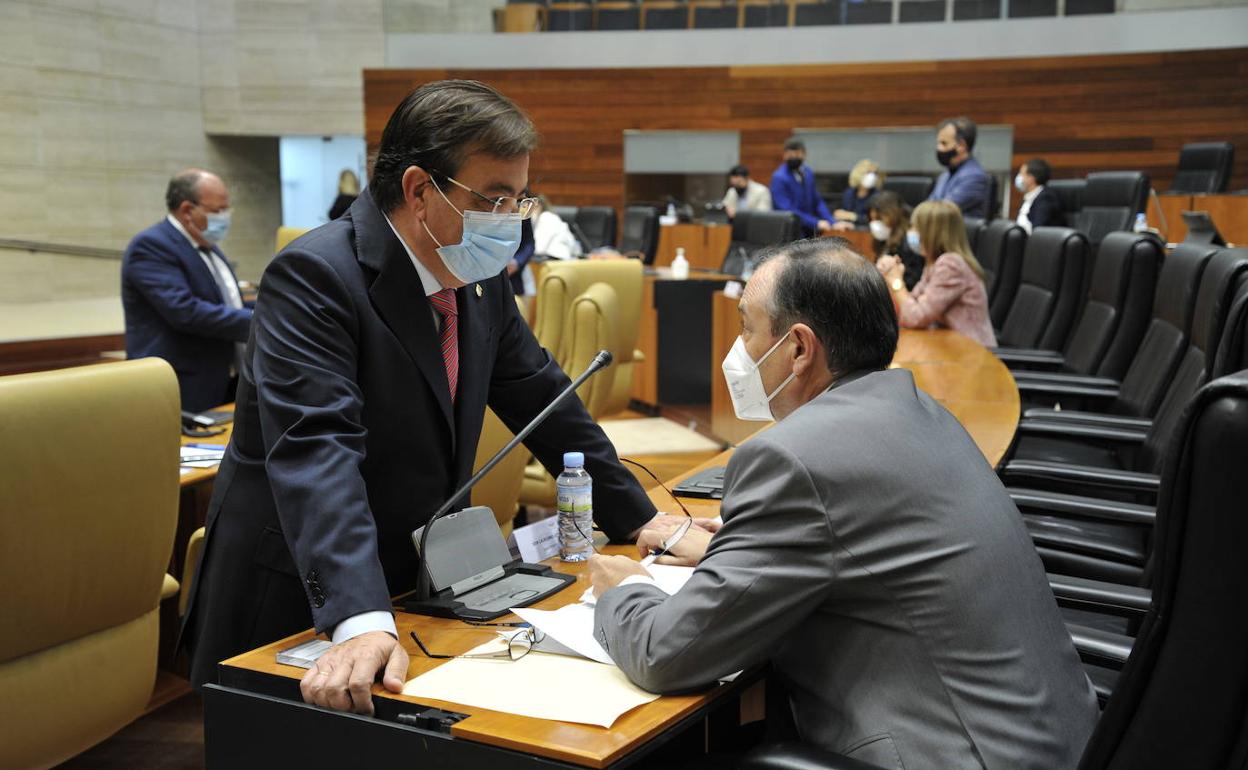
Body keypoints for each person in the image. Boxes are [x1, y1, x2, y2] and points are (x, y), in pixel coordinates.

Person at [183, 80, 660, 713]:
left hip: (412, 584)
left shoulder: (475, 278)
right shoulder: (316, 276)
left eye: (521, 199)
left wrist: (642, 518)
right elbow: (317, 452)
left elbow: (544, 399)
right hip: (303, 591)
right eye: (494, 197)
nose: (510, 219)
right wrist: (358, 616)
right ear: (418, 189)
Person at [589, 239, 1098, 768]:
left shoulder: (793, 459)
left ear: (799, 348)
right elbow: (848, 543)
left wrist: (626, 590)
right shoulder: (924, 412)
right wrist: (734, 551)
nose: (738, 346)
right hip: (1055, 744)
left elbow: (665, 654)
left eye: (746, 326)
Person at [121, 168, 253, 412]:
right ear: (187, 210)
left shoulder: (207, 245)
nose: (225, 217)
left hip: (225, 379)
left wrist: (276, 305)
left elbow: (229, 303)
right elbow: (186, 311)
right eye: (218, 210)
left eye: (227, 209)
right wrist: (262, 321)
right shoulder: (151, 246)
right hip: (180, 385)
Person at [878, 200, 996, 348]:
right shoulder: (934, 263)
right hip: (948, 347)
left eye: (915, 227)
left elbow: (915, 317)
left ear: (931, 232)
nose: (910, 232)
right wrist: (892, 274)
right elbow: (909, 308)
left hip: (972, 355)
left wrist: (896, 281)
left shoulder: (951, 265)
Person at [929, 116, 992, 220]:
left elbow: (943, 211)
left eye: (944, 143)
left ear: (961, 145)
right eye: (938, 143)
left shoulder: (974, 177)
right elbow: (928, 207)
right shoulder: (944, 176)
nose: (938, 148)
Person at [770, 138, 835, 237]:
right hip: (790, 231)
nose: (794, 157)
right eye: (790, 155)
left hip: (811, 228)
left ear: (804, 154)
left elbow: (817, 201)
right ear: (784, 156)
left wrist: (831, 221)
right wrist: (815, 222)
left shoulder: (808, 172)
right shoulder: (779, 177)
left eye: (797, 154)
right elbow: (787, 210)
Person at [866, 190, 923, 290]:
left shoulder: (911, 242)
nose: (875, 224)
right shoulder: (883, 239)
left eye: (879, 219)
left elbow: (914, 281)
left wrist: (893, 274)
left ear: (893, 215)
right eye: (872, 220)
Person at [1016, 158, 1062, 234]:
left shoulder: (1046, 198)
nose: (1019, 177)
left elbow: (1038, 229)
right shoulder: (1029, 196)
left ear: (1031, 178)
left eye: (1021, 174)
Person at [833, 158, 883, 228]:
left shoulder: (877, 196)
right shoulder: (849, 193)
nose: (872, 176)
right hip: (847, 229)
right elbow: (843, 213)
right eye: (868, 172)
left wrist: (853, 216)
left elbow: (875, 219)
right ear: (858, 174)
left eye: (874, 173)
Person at [530, 195, 583, 260]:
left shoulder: (546, 217)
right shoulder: (548, 217)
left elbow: (539, 248)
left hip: (555, 259)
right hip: (560, 258)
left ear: (539, 206)